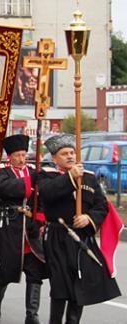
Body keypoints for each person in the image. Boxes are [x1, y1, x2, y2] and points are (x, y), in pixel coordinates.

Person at [38, 134, 121, 324]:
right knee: (60, 286)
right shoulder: (46, 175)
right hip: (57, 237)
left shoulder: (89, 178)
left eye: (72, 152)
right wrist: (69, 177)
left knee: (79, 283)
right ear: (54, 158)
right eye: (64, 153)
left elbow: (101, 206)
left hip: (81, 238)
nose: (70, 156)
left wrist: (89, 218)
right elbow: (48, 194)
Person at [0, 134, 47, 324]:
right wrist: (31, 181)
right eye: (18, 155)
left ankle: (32, 314)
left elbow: (42, 197)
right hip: (10, 225)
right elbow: (8, 189)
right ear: (10, 157)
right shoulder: (0, 172)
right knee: (8, 269)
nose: (22, 159)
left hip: (31, 227)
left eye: (24, 154)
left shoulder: (32, 170)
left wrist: (40, 216)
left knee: (35, 269)